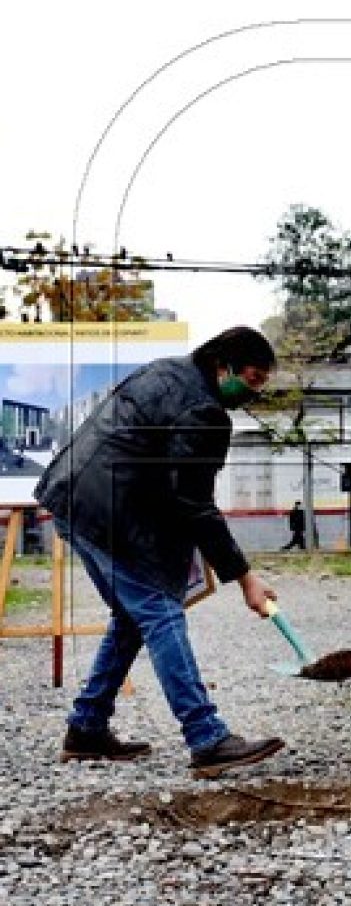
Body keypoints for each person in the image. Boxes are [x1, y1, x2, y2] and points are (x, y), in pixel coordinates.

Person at [34, 326, 286, 779]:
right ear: (222, 365)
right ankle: (206, 737)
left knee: (134, 615)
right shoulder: (204, 411)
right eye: (250, 380)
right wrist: (244, 577)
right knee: (160, 612)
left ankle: (87, 726)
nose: (253, 392)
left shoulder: (168, 370)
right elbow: (192, 501)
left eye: (261, 384)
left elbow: (165, 482)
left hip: (73, 494)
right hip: (108, 510)